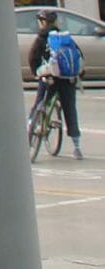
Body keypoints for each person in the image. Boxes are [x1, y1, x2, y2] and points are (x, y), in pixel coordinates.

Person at [29, 10, 84, 159]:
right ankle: (77, 146)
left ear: (42, 21)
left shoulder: (42, 38)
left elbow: (33, 57)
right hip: (67, 79)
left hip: (50, 78)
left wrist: (36, 73)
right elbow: (79, 57)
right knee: (70, 109)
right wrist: (78, 76)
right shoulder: (65, 38)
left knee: (40, 103)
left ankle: (30, 127)